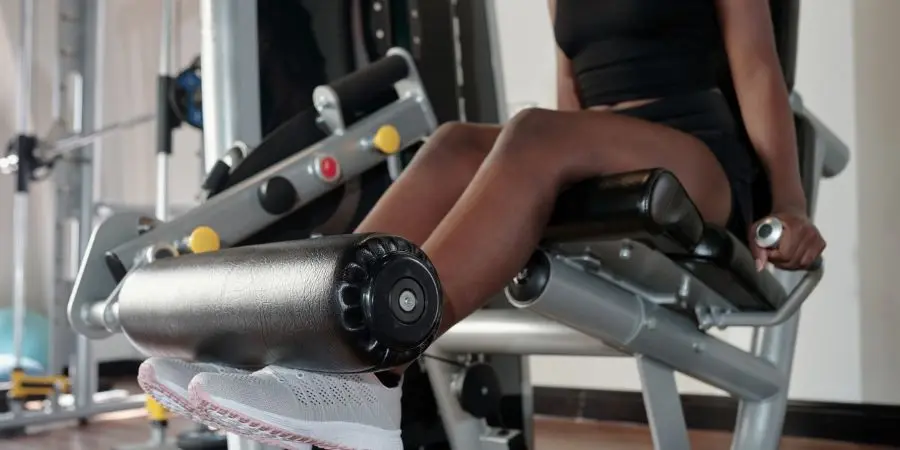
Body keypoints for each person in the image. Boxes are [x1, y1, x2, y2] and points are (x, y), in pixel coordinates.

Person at [137, 0, 827, 449]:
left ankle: (365, 376)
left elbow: (761, 74)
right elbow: (570, 112)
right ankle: (314, 348)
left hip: (696, 154)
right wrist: (543, 187)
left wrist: (788, 203)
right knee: (455, 143)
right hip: (603, 150)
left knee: (527, 131)